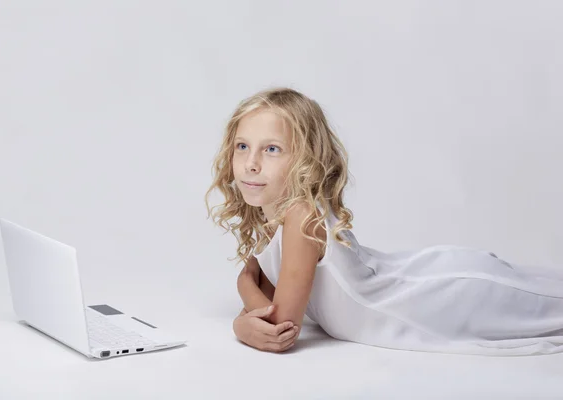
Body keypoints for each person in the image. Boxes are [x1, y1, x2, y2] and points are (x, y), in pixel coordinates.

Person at [204, 87, 563, 356]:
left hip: (436, 295)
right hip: (417, 296)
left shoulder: (301, 216)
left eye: (271, 149)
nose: (251, 163)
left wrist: (243, 292)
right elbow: (263, 310)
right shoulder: (275, 219)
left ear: (305, 158)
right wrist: (247, 293)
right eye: (242, 146)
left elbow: (280, 326)